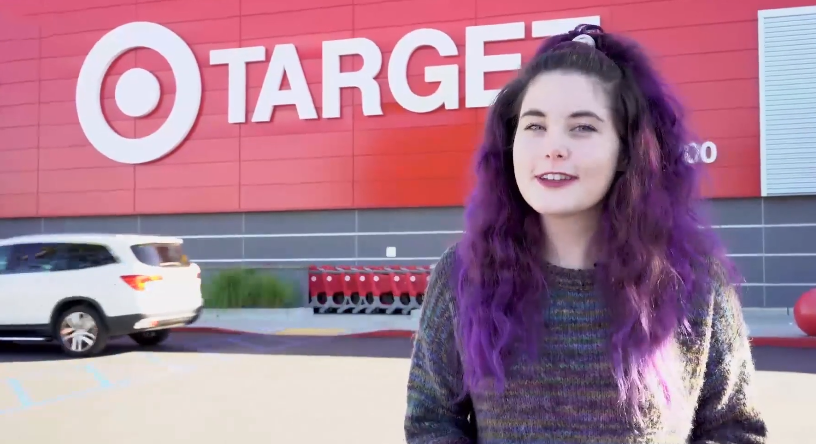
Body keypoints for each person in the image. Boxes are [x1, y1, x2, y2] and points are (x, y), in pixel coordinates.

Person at [404, 24, 767, 443]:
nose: (553, 147)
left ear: (626, 151)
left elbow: (734, 428)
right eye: (535, 126)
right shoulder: (464, 274)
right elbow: (431, 420)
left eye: (583, 127)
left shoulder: (693, 281)